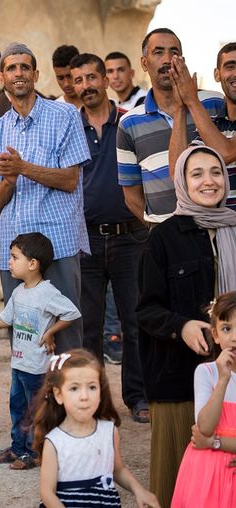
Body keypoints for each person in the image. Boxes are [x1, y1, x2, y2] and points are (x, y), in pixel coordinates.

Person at [137, 144, 236, 507]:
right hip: (179, 377)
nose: (208, 181)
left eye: (215, 172)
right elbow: (146, 310)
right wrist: (182, 326)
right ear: (181, 181)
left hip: (235, 382)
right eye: (197, 174)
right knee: (178, 481)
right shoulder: (163, 238)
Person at [0, 42, 91, 352]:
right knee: (24, 338)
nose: (19, 73)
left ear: (36, 74)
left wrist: (22, 167)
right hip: (13, 248)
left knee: (66, 332)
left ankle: (71, 400)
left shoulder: (65, 115)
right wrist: (10, 179)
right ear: (1, 77)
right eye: (11, 68)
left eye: (24, 67)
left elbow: (70, 180)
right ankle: (31, 402)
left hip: (58, 241)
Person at [70, 52, 150, 423]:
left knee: (136, 322)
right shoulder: (71, 128)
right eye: (78, 81)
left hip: (130, 238)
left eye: (91, 78)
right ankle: (97, 402)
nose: (85, 86)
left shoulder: (129, 123)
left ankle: (138, 397)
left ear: (104, 80)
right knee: (90, 326)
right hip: (85, 240)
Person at [0, 232, 80, 470]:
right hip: (18, 364)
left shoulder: (47, 292)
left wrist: (50, 332)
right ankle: (17, 448)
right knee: (17, 408)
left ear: (33, 264)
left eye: (14, 257)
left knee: (35, 412)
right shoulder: (18, 292)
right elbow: (5, 320)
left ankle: (33, 452)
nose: (9, 262)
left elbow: (72, 313)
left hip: (36, 367)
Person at [117, 28, 223, 225]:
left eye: (174, 52)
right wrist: (158, 231)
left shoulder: (213, 103)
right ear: (144, 62)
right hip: (164, 235)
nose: (167, 60)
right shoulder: (129, 123)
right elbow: (131, 196)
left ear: (182, 60)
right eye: (158, 52)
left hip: (216, 228)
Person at [33, 349, 159, 507]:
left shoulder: (109, 432)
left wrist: (138, 489)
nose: (84, 396)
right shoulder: (55, 442)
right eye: (74, 388)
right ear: (59, 395)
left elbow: (118, 469)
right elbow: (47, 493)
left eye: (92, 387)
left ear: (101, 391)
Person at [171, 292, 236, 507]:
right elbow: (205, 427)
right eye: (227, 329)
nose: (234, 337)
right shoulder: (206, 372)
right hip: (208, 471)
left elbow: (207, 438)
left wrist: (213, 443)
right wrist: (223, 380)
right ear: (215, 335)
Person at [168, 42, 236, 209]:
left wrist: (191, 100)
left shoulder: (206, 126)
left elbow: (226, 153)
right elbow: (178, 173)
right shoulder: (211, 124)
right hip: (220, 230)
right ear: (217, 74)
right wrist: (179, 109)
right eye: (230, 66)